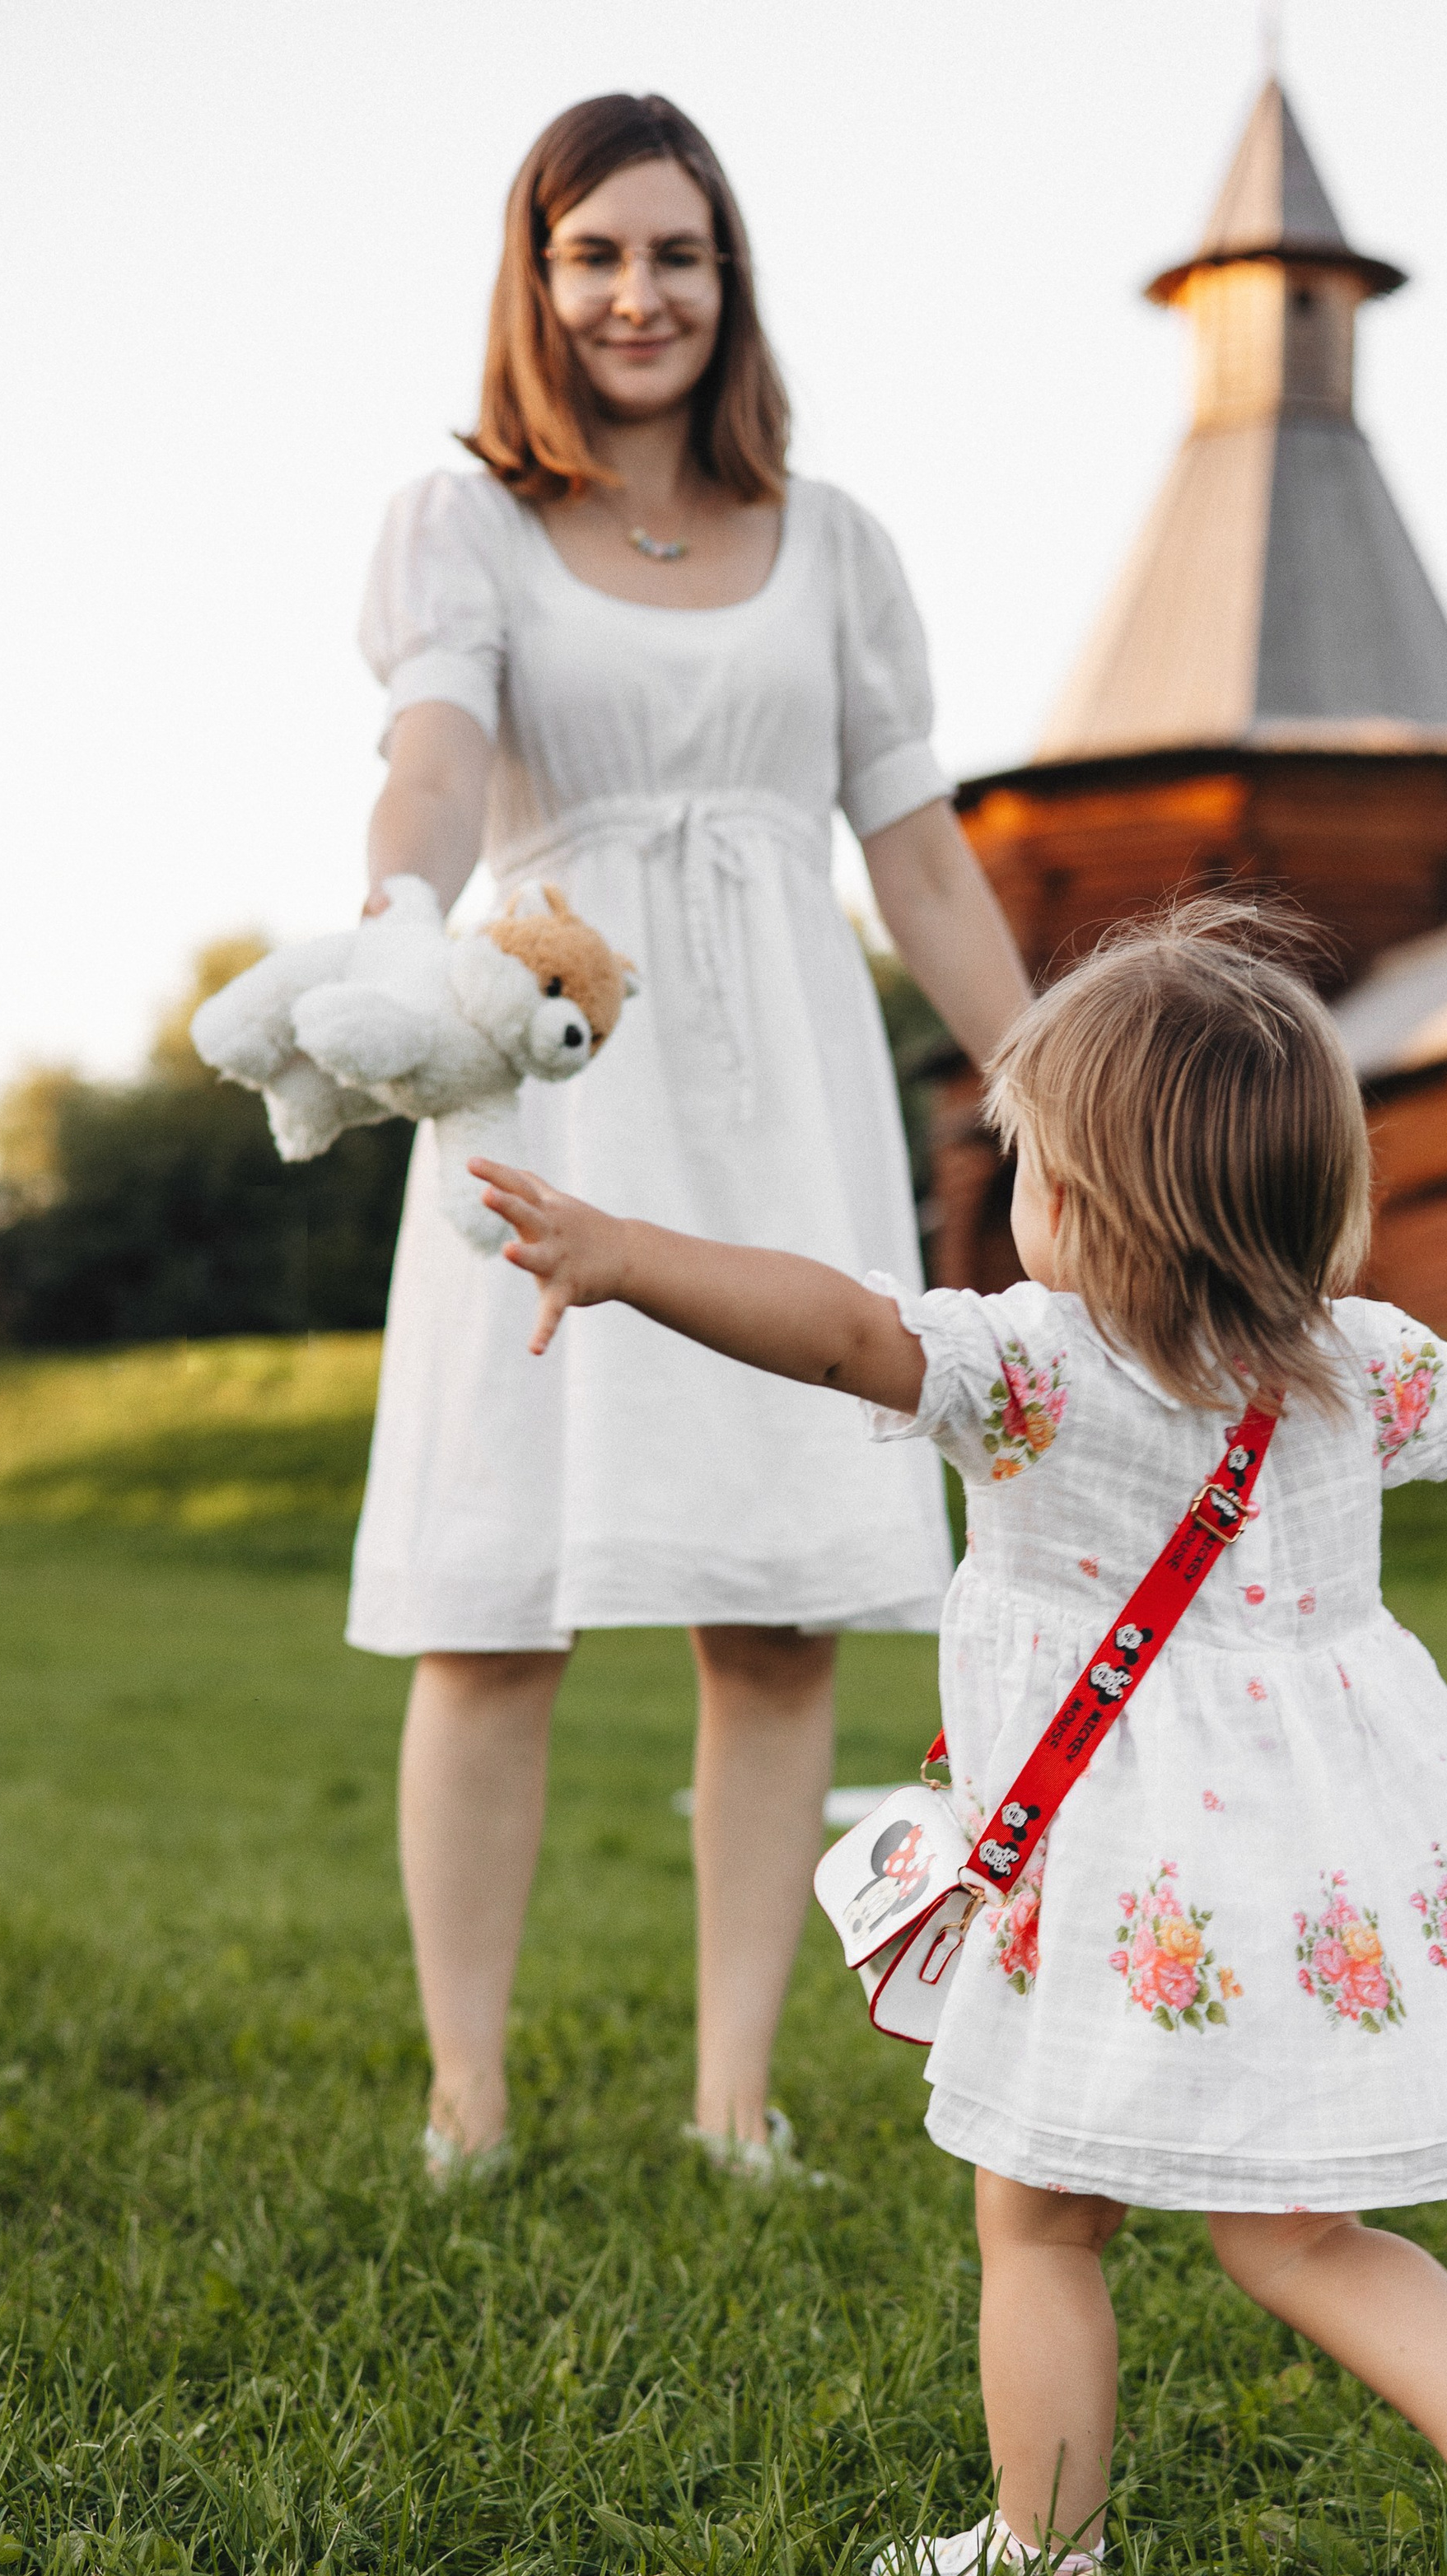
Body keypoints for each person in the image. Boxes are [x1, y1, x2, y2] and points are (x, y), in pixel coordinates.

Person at [467, 904, 1447, 2576]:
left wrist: (632, 1253)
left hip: (1127, 1890)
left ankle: (1044, 2560)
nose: (1010, 1187)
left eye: (1026, 1158)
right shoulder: (1349, 1366)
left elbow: (830, 1329)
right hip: (1319, 1874)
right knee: (1298, 2230)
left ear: (1092, 1205)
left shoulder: (1031, 1373)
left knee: (1037, 2217)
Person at [345, 94, 1030, 2182]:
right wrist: (392, 918)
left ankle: (738, 2096)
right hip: (553, 1062)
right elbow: (439, 758)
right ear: (534, 281)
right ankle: (468, 2094)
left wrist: (1049, 1087)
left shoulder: (834, 544)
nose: (636, 294)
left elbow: (911, 852)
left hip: (784, 1095)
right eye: (593, 254)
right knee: (496, 1600)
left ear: (728, 284)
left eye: (676, 254)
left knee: (778, 1610)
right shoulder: (460, 522)